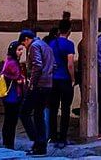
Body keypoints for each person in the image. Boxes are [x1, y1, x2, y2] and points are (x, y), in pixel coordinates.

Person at [19, 28, 54, 156]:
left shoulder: (34, 46)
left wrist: (32, 84)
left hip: (38, 85)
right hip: (48, 84)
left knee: (24, 112)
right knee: (39, 114)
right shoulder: (45, 45)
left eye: (24, 43)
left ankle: (37, 140)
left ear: (27, 39)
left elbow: (37, 66)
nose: (25, 46)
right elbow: (53, 65)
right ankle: (40, 146)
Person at [44, 19, 76, 148]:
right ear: (69, 30)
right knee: (65, 109)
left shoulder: (51, 43)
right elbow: (70, 64)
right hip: (64, 79)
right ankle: (63, 136)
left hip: (53, 79)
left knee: (53, 108)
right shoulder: (69, 44)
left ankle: (52, 135)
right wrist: (73, 78)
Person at [0, 40, 25, 151]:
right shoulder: (13, 63)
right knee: (11, 120)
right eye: (19, 50)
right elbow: (18, 79)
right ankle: (9, 142)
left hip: (8, 95)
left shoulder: (8, 61)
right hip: (12, 95)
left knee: (8, 119)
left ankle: (7, 142)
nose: (21, 52)